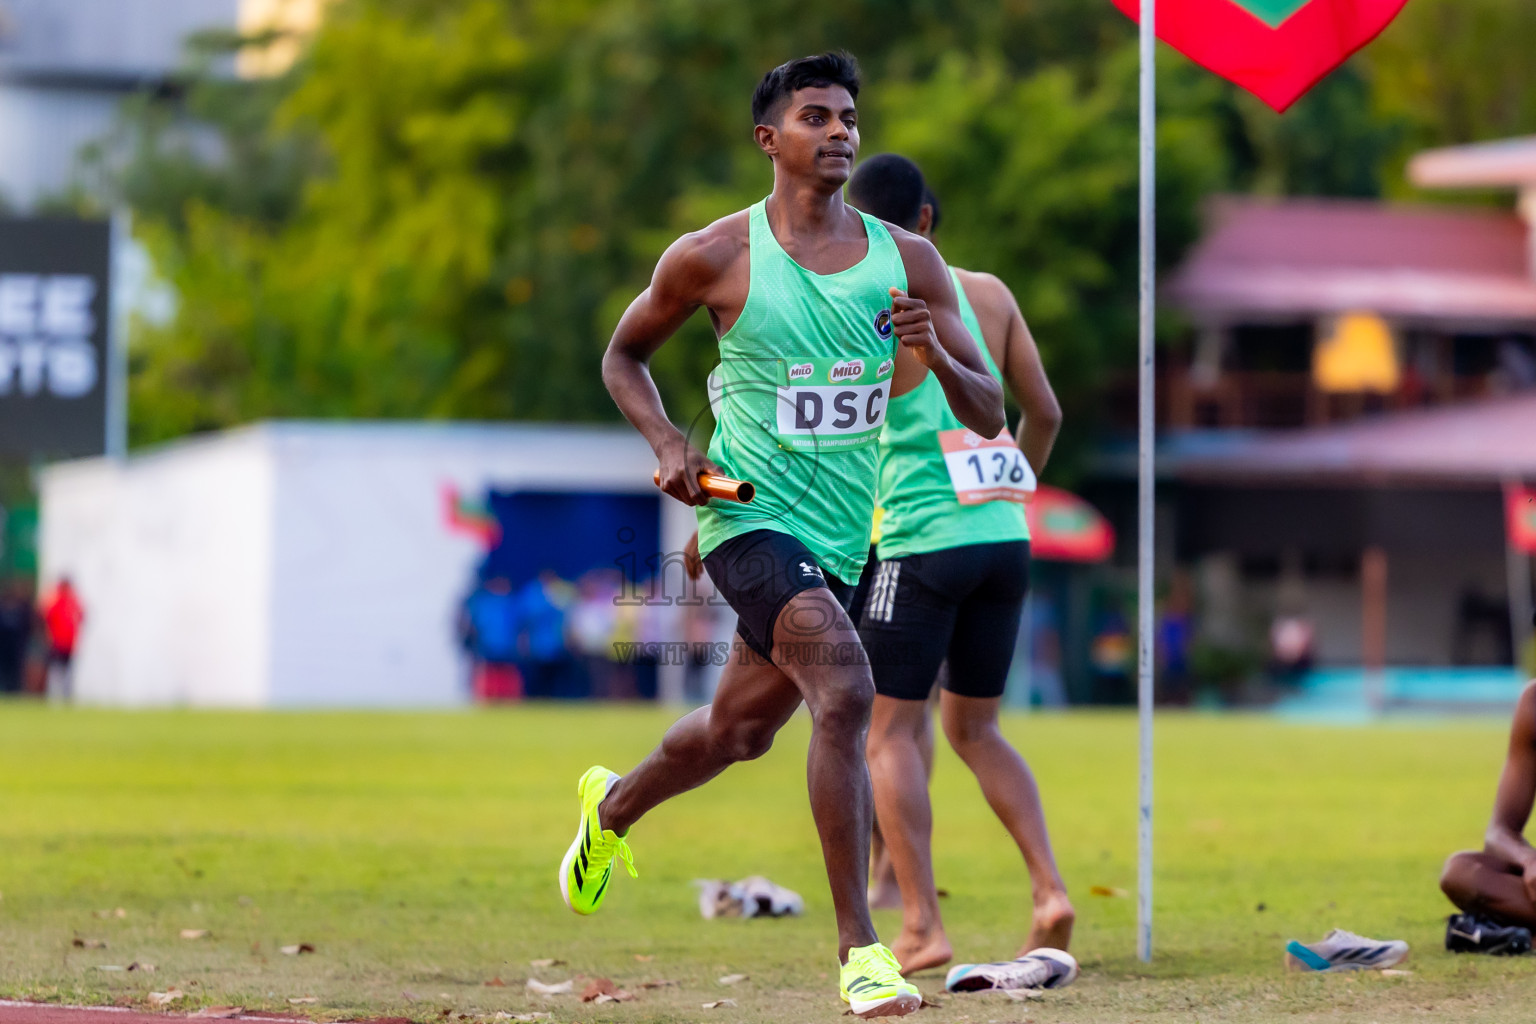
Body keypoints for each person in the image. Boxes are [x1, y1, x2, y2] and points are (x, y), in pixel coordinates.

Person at [576, 52, 1004, 1018]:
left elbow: (989, 412)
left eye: (849, 116)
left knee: (737, 733)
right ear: (771, 140)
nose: (841, 131)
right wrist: (666, 442)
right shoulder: (716, 255)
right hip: (746, 516)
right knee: (847, 690)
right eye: (817, 116)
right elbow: (624, 355)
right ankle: (863, 952)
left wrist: (932, 351)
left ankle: (608, 814)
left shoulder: (912, 263)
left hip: (846, 538)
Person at [844, 155, 1073, 976]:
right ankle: (1049, 891)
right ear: (929, 219)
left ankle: (919, 926)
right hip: (1005, 537)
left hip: (916, 539)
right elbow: (1042, 411)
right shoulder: (994, 295)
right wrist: (1016, 488)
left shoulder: (868, 308)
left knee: (888, 731)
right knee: (976, 728)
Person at [1438, 674, 1536, 954]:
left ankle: (1511, 933)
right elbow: (1499, 831)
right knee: (1461, 871)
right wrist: (1529, 861)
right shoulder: (1533, 703)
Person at [40, 577, 84, 702]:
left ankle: (66, 696)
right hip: (57, 642)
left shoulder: (73, 600)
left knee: (68, 671)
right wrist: (49, 637)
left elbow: (81, 616)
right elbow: (46, 618)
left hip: (69, 643)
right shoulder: (55, 600)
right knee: (56, 670)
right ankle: (53, 696)